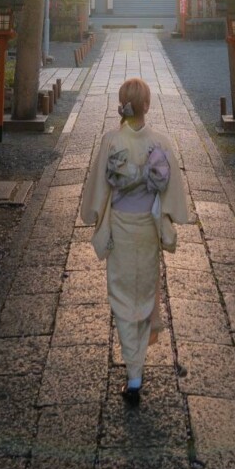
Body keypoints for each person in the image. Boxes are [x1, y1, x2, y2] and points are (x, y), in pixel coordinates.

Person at [79, 76, 190, 405]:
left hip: (122, 226)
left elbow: (99, 191)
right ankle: (136, 368)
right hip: (148, 228)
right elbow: (172, 192)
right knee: (145, 292)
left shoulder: (112, 141)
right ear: (147, 105)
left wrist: (94, 214)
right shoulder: (161, 143)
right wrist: (170, 216)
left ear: (122, 104)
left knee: (123, 294)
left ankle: (134, 374)